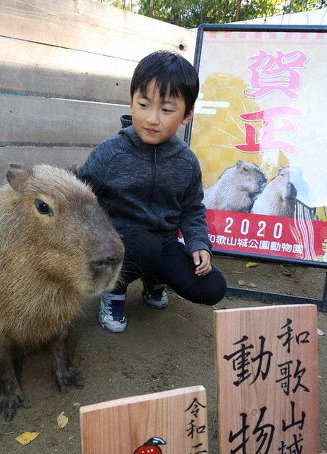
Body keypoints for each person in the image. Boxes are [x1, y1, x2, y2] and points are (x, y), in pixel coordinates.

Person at [78, 50, 227, 333]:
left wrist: (198, 244)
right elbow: (80, 195)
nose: (152, 118)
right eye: (143, 104)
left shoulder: (186, 162)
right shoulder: (111, 153)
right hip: (119, 242)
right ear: (131, 101)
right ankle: (114, 291)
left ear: (187, 114)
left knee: (212, 287)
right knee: (144, 246)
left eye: (167, 110)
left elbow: (193, 208)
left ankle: (154, 280)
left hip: (163, 244)